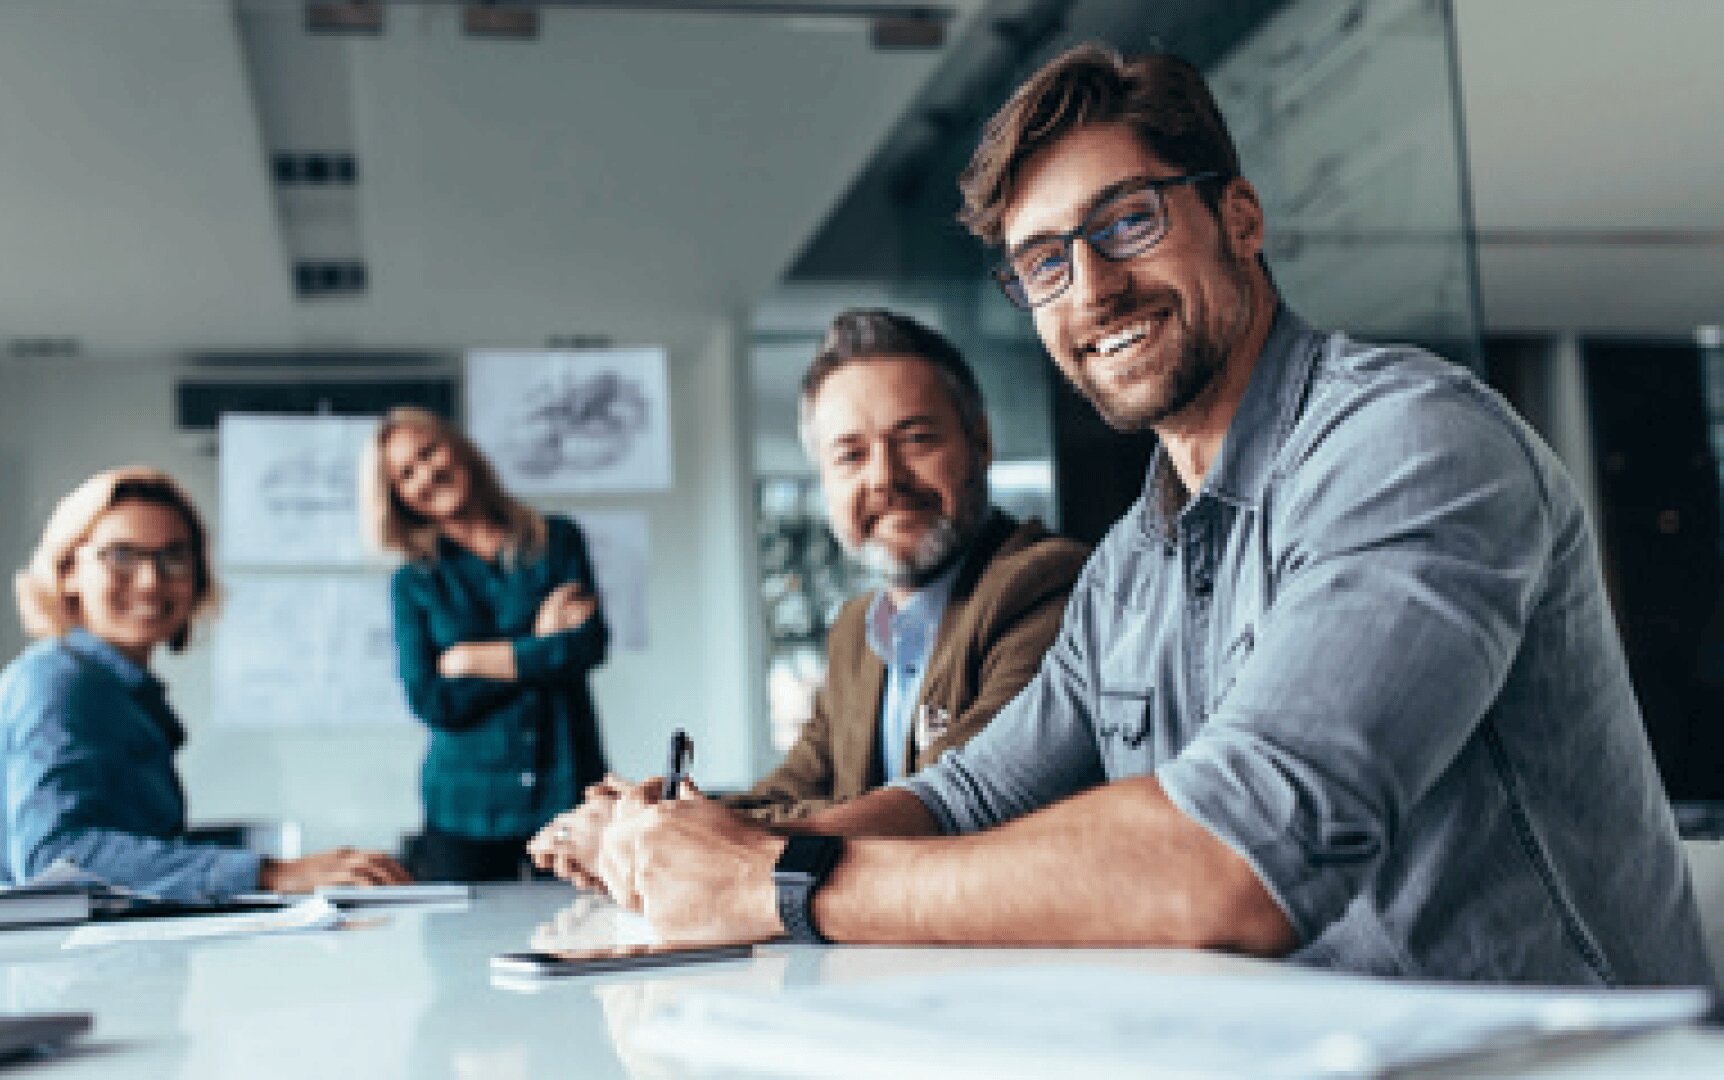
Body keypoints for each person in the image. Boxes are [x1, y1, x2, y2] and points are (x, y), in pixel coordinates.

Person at [593, 43, 1714, 987]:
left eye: (1125, 222)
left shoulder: (1407, 446)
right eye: (1041, 262)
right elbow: (966, 794)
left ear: (1237, 215)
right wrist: (715, 849)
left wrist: (781, 884)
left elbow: (1237, 858)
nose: (1089, 289)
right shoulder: (1132, 560)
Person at [529, 310, 1087, 885]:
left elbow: (957, 804)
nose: (883, 478)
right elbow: (800, 785)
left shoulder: (1041, 585)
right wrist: (654, 820)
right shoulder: (857, 628)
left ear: (981, 441)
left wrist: (680, 838)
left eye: (916, 439)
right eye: (850, 455)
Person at [0, 466, 410, 901]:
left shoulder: (120, 691)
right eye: (121, 555)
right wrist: (268, 873)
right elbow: (55, 858)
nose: (150, 581)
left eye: (174, 557)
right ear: (68, 570)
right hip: (48, 965)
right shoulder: (58, 684)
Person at [362, 406, 610, 882]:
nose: (426, 474)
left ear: (457, 446)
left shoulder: (556, 540)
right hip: (465, 809)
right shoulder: (414, 581)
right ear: (397, 497)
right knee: (460, 950)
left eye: (428, 452)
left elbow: (586, 647)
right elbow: (433, 700)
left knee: (587, 937)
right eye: (405, 473)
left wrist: (473, 658)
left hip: (567, 788)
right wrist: (538, 643)